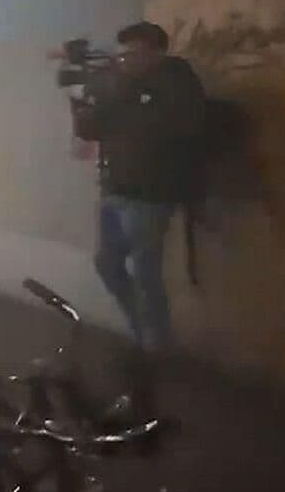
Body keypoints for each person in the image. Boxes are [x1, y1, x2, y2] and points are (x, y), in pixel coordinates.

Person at [70, 21, 206, 352]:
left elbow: (163, 127)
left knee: (147, 273)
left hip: (150, 193)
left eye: (135, 52)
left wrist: (120, 91)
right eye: (124, 53)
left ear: (157, 52)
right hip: (116, 189)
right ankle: (141, 328)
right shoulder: (120, 85)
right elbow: (92, 132)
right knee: (107, 264)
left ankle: (157, 344)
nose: (127, 59)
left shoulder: (176, 82)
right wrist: (85, 105)